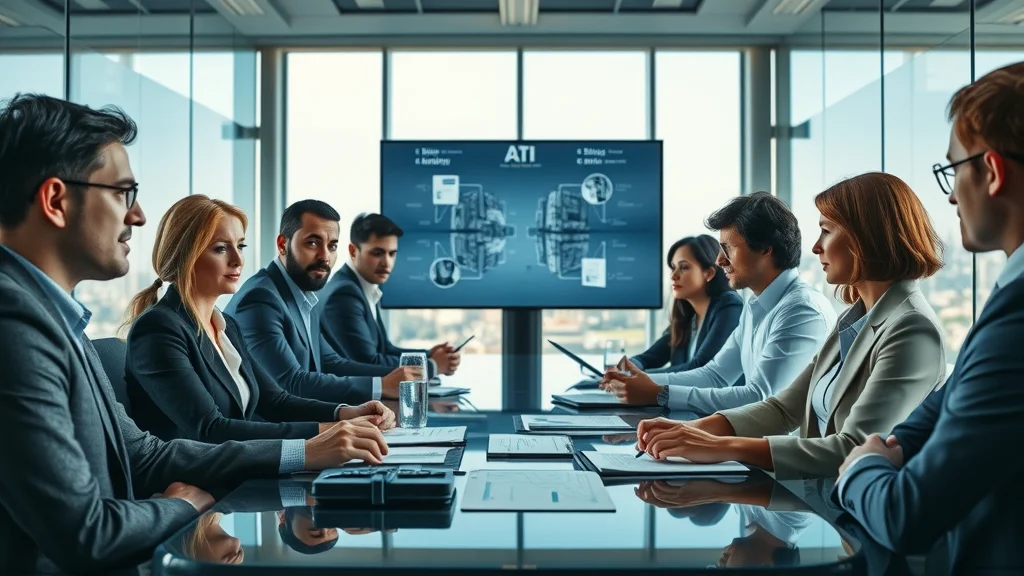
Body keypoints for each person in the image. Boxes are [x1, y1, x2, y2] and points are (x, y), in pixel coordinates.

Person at [0, 94, 386, 573]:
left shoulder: (58, 321)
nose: (137, 216)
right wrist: (182, 507)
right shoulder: (15, 325)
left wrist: (318, 438)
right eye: (124, 193)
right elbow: (86, 534)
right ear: (57, 200)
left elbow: (142, 455)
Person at [834, 61, 1024, 574]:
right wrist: (889, 449)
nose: (948, 193)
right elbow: (946, 406)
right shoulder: (1009, 300)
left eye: (953, 169)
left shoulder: (1017, 320)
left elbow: (906, 515)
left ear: (991, 172)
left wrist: (860, 468)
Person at [634, 172, 946, 479]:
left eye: (826, 230)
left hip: (866, 519)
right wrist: (690, 430)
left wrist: (722, 446)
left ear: (866, 237)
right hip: (827, 501)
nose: (815, 247)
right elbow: (783, 409)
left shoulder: (911, 329)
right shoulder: (853, 320)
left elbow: (853, 449)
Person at [124, 195, 397, 444]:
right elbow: (210, 429)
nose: (237, 259)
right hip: (198, 484)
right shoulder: (159, 329)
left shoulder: (225, 327)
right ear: (186, 255)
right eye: (221, 248)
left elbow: (275, 400)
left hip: (242, 468)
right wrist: (328, 431)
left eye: (240, 246)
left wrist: (345, 413)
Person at [602, 192, 836, 414]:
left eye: (728, 248)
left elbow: (761, 397)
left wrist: (661, 394)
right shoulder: (756, 307)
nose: (719, 260)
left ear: (765, 249)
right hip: (750, 444)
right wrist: (636, 381)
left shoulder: (801, 310)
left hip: (781, 452)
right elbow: (714, 375)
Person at [224, 200, 420, 404]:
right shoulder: (260, 299)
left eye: (332, 245)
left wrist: (396, 377)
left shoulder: (305, 294)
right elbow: (290, 383)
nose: (325, 256)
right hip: (275, 431)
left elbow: (331, 363)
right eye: (312, 243)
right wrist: (380, 386)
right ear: (283, 245)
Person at [321, 213, 461, 378]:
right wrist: (431, 366)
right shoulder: (345, 294)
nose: (386, 262)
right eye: (377, 253)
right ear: (353, 251)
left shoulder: (363, 287)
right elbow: (369, 362)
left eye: (392, 253)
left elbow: (385, 349)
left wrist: (429, 355)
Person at [629, 234, 743, 375]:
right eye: (673, 267)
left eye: (683, 267)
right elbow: (648, 358)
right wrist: (629, 366)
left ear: (709, 273)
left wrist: (639, 377)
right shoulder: (688, 317)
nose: (673, 275)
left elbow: (701, 367)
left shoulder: (729, 307)